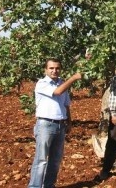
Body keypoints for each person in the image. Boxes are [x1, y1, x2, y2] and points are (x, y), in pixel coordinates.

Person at [28, 58, 83, 188]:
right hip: (45, 125)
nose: (54, 71)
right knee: (41, 160)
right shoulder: (42, 83)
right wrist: (74, 78)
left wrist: (69, 122)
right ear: (45, 70)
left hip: (60, 125)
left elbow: (66, 105)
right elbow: (57, 92)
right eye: (51, 68)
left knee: (55, 160)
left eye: (57, 68)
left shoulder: (62, 83)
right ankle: (34, 186)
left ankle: (49, 185)